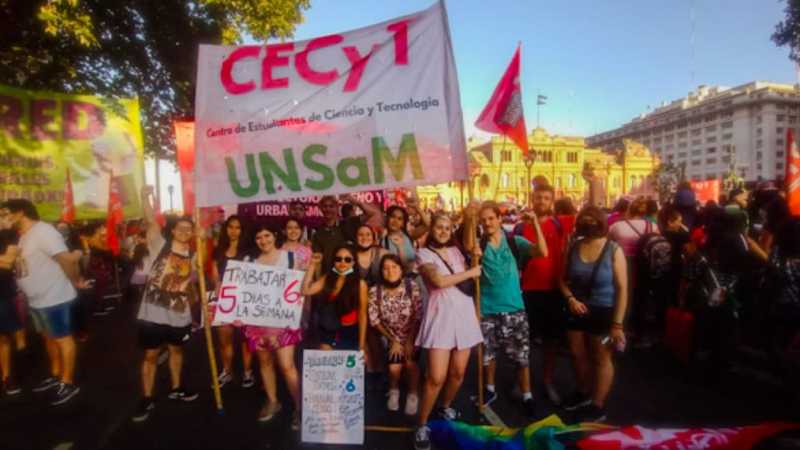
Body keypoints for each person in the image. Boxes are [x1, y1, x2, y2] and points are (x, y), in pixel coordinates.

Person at [4, 198, 85, 405]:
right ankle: (56, 374)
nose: (4, 217)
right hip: (37, 300)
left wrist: (75, 281)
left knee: (63, 338)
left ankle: (68, 382)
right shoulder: (24, 236)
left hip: (54, 297)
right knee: (48, 337)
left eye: (6, 213)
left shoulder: (44, 232)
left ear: (20, 212)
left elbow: (65, 259)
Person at [413, 214, 482, 450]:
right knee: (435, 377)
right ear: (431, 229)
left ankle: (445, 406)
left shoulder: (456, 251)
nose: (443, 231)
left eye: (447, 227)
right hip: (440, 317)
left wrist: (471, 215)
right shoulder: (424, 254)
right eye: (438, 227)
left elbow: (472, 244)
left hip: (464, 315)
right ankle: (421, 424)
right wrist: (471, 273)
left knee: (458, 373)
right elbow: (439, 281)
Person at [132, 186, 199, 422]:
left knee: (176, 350)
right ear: (172, 230)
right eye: (181, 228)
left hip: (179, 314)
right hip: (152, 313)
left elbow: (191, 284)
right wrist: (144, 197)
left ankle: (176, 387)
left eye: (189, 229)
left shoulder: (194, 255)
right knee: (150, 356)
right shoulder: (159, 244)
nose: (185, 231)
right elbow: (151, 219)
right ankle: (147, 397)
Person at [476, 201, 547, 418]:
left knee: (521, 357)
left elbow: (542, 252)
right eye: (483, 219)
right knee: (488, 355)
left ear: (499, 219)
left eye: (491, 218)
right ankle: (489, 390)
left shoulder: (514, 242)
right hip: (487, 309)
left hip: (514, 307)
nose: (487, 223)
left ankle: (527, 395)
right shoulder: (478, 245)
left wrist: (535, 224)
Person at [559, 206, 628, 422]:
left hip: (604, 311)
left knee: (601, 358)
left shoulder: (613, 249)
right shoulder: (573, 246)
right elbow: (561, 279)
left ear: (601, 222)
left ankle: (597, 404)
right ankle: (583, 392)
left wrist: (617, 324)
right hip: (576, 309)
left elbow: (622, 288)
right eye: (584, 219)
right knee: (578, 355)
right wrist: (570, 299)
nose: (588, 223)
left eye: (592, 219)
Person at [239, 224, 303, 425]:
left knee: (286, 365)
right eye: (259, 237)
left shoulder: (291, 258)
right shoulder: (249, 261)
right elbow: (242, 290)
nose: (263, 240)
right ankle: (273, 401)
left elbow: (298, 290)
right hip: (258, 322)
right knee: (265, 362)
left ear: (274, 236)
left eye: (266, 235)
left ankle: (300, 407)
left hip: (284, 322)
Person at [520, 184, 574, 406]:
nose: (541, 201)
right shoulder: (520, 227)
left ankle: (547, 380)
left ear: (552, 201)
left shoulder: (561, 224)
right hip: (528, 290)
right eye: (538, 197)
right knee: (524, 341)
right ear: (532, 199)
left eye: (546, 198)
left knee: (551, 342)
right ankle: (522, 382)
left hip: (553, 290)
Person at [368, 254, 422, 415]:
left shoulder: (412, 286)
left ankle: (413, 394)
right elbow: (374, 320)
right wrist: (394, 341)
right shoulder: (375, 291)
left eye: (394, 267)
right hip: (390, 336)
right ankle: (394, 390)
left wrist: (409, 341)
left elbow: (418, 316)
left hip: (412, 333)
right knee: (394, 368)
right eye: (385, 268)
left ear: (401, 269)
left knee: (410, 363)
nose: (390, 271)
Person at [211, 215, 254, 389]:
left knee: (245, 339)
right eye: (230, 227)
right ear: (225, 229)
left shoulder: (249, 251)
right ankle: (226, 371)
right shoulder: (218, 250)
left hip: (245, 300)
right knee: (224, 340)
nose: (234, 231)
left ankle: (247, 371)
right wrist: (216, 286)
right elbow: (215, 276)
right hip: (224, 300)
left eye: (238, 227)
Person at [302, 245, 368, 351]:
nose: (342, 263)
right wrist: (312, 265)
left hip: (350, 331)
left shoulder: (360, 284)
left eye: (347, 259)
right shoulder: (327, 278)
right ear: (334, 261)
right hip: (328, 329)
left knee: (347, 366)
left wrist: (362, 345)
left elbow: (362, 315)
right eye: (338, 259)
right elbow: (306, 290)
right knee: (327, 363)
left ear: (353, 262)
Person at [311, 195, 382, 275]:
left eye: (331, 206)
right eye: (325, 206)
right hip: (330, 277)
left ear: (337, 208)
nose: (328, 209)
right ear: (320, 208)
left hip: (352, 274)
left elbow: (372, 213)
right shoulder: (318, 234)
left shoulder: (349, 223)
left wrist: (356, 202)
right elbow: (318, 261)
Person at [0, 207, 20, 397]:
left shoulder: (11, 235)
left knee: (4, 337)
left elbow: (7, 262)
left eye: (6, 215)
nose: (6, 219)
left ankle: (6, 377)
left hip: (2, 292)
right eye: (2, 215)